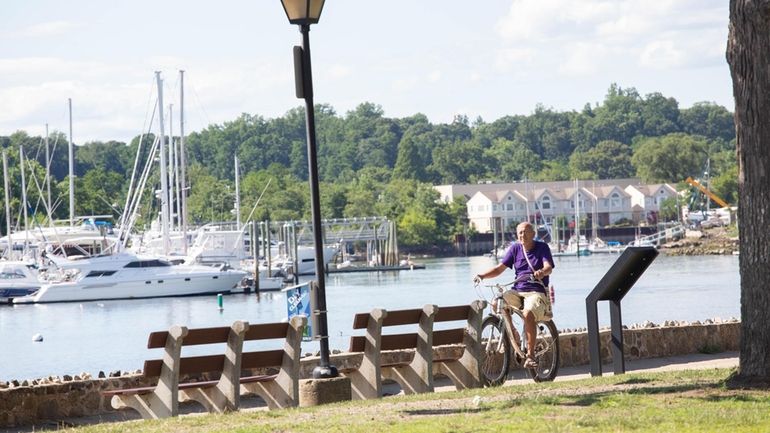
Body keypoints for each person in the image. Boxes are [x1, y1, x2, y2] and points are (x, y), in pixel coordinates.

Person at [473, 222, 554, 368]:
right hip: (518, 290)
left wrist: (542, 272)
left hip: (536, 291)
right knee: (497, 302)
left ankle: (530, 355)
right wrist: (482, 276)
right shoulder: (515, 249)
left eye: (525, 232)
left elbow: (548, 267)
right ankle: (514, 335)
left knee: (528, 314)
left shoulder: (542, 247)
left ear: (533, 234)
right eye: (520, 233)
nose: (522, 235)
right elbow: (499, 269)